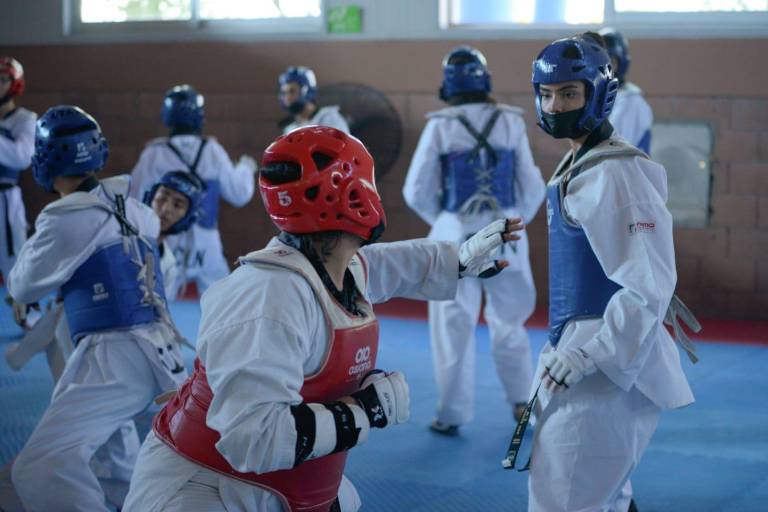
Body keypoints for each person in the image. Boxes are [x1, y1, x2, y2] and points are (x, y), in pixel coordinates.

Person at [123, 125, 523, 512]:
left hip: (282, 485)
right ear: (355, 195)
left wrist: (460, 259)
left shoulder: (331, 268)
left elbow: (390, 265)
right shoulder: (269, 299)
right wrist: (363, 411)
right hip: (205, 488)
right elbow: (251, 440)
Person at [525, 33, 694, 511]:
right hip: (581, 351)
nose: (555, 105)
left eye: (569, 93)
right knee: (598, 495)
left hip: (610, 365)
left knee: (568, 499)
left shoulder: (616, 174)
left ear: (598, 94)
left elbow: (650, 285)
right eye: (547, 94)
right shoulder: (578, 161)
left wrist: (587, 355)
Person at [8, 105, 188, 512]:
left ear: (45, 158)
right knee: (111, 456)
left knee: (40, 467)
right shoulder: (139, 211)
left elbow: (23, 283)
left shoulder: (63, 218)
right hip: (160, 354)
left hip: (113, 358)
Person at [403, 45, 546, 436]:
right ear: (486, 82)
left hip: (456, 241)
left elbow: (415, 190)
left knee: (452, 327)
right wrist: (510, 224)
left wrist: (448, 222)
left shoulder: (440, 125)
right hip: (507, 239)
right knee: (511, 322)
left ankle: (451, 414)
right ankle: (522, 404)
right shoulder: (510, 122)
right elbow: (533, 188)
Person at [130, 84, 256, 294]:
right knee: (223, 297)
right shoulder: (212, 150)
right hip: (206, 239)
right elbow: (240, 194)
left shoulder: (154, 153)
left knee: (159, 295)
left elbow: (134, 198)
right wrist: (244, 168)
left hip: (167, 234)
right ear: (199, 116)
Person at [0, 57, 37, 327]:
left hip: (5, 198)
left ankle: (28, 315)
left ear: (14, 85)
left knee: (15, 263)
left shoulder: (25, 119)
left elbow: (22, 157)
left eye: (1, 80)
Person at [144, 170, 206, 300]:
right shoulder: (117, 236)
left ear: (188, 217)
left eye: (177, 205)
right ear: (150, 198)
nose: (166, 208)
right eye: (162, 198)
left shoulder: (168, 266)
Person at [599, 27, 654, 154]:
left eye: (610, 62)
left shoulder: (630, 103)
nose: (604, 69)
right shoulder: (606, 100)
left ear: (621, 63)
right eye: (599, 63)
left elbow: (614, 153)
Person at [279, 66, 350, 134]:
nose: (287, 97)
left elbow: (344, 145)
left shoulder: (328, 118)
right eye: (284, 93)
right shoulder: (290, 128)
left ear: (306, 91)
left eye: (292, 91)